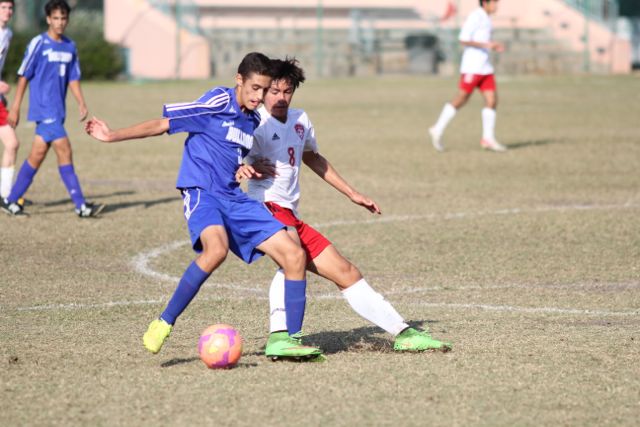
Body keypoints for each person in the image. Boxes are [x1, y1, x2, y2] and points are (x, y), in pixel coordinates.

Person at [84, 52, 322, 358]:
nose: (259, 96)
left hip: (234, 196)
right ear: (239, 80)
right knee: (216, 250)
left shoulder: (252, 120)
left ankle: (288, 340)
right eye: (254, 88)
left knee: (293, 253)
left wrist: (244, 168)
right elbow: (163, 123)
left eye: (264, 90)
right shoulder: (216, 102)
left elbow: (230, 152)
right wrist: (112, 135)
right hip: (202, 192)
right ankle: (164, 322)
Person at [237, 58, 451, 358]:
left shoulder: (301, 120)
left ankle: (403, 333)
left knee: (346, 271)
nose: (280, 98)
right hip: (267, 206)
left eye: (287, 91)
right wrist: (244, 165)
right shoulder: (253, 121)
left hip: (290, 212)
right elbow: (228, 150)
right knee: (291, 259)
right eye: (274, 91)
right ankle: (281, 337)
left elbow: (313, 157)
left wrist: (352, 193)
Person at [1, 0, 102, 217]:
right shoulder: (38, 43)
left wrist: (81, 102)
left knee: (36, 155)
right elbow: (23, 75)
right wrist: (16, 107)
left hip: (58, 111)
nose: (60, 22)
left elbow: (73, 77)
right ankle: (81, 205)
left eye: (63, 18)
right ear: (48, 19)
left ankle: (10, 200)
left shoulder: (70, 46)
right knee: (65, 150)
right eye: (55, 18)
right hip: (43, 110)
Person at [428, 0, 506, 153]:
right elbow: (463, 39)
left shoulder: (487, 18)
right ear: (485, 3)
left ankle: (488, 138)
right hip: (472, 67)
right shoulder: (475, 16)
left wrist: (491, 46)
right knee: (461, 98)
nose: (497, 6)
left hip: (485, 68)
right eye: (494, 3)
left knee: (492, 100)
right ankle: (437, 128)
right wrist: (487, 45)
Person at [0, 0, 19, 201]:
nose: (8, 11)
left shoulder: (8, 33)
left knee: (12, 143)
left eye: (10, 7)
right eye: (3, 7)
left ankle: (5, 195)